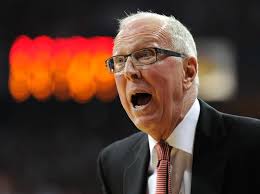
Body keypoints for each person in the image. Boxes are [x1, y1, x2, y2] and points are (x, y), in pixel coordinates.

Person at [97, 11, 260, 194]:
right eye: (119, 61)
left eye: (145, 55)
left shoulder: (252, 144)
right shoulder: (114, 162)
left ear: (188, 72)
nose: (129, 71)